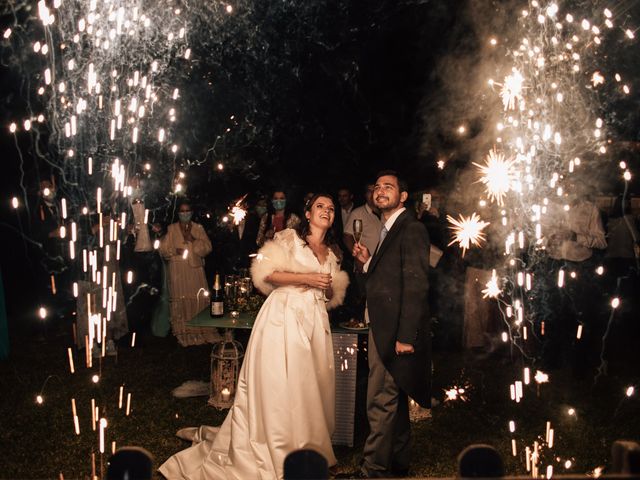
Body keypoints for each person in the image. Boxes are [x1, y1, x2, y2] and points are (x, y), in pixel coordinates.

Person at [159, 194, 349, 479]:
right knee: (282, 383)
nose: (327, 211)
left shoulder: (332, 252)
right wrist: (307, 279)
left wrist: (328, 287)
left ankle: (310, 449)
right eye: (320, 206)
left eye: (331, 208)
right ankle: (278, 448)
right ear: (307, 214)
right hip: (283, 317)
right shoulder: (289, 239)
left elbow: (332, 294)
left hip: (314, 321)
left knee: (310, 384)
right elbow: (267, 274)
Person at [352, 170, 431, 478]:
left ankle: (372, 469)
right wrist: (368, 261)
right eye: (377, 186)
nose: (381, 190)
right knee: (393, 398)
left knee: (380, 399)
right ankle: (399, 461)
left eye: (389, 186)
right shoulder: (389, 229)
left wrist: (406, 336)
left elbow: (416, 284)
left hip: (393, 332)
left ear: (403, 196)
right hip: (383, 326)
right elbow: (388, 279)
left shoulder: (410, 228)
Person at [159, 199, 219, 346]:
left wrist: (193, 240)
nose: (185, 213)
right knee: (181, 299)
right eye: (182, 211)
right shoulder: (172, 228)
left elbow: (207, 248)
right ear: (178, 213)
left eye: (187, 211)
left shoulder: (198, 228)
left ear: (191, 212)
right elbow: (163, 249)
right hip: (178, 268)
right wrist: (175, 250)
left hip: (195, 268)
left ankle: (201, 330)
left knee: (197, 299)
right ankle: (183, 333)